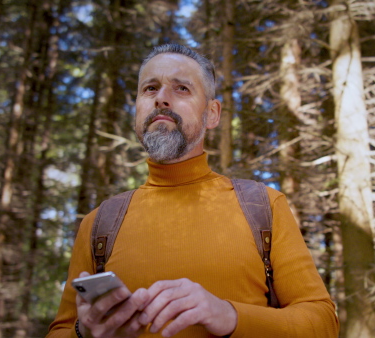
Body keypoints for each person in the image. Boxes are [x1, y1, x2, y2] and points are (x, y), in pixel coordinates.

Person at [47, 43, 339, 338]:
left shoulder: (264, 206)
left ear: (212, 113)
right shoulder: (98, 224)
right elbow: (60, 331)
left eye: (181, 89)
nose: (161, 99)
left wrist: (230, 315)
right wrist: (84, 331)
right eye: (150, 88)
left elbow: (323, 323)